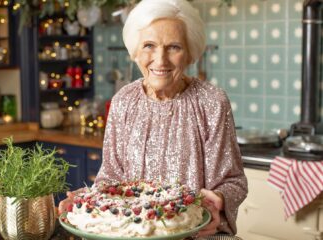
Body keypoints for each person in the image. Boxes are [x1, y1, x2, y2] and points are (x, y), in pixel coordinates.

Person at [59, 0, 248, 237]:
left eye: (174, 47)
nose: (160, 60)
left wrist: (218, 201)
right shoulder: (123, 102)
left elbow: (234, 182)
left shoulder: (211, 103)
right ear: (135, 52)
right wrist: (89, 202)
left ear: (190, 53)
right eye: (149, 45)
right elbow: (110, 178)